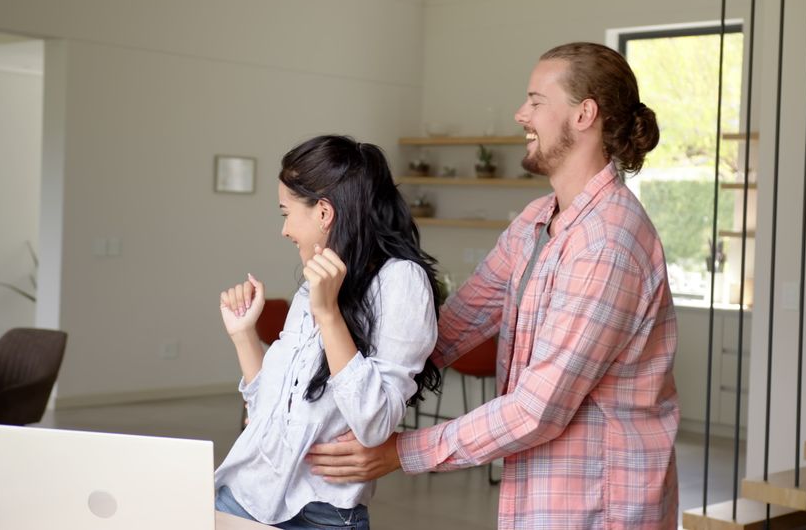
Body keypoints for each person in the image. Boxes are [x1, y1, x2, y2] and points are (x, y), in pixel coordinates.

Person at [306, 42, 680, 529]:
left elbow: (536, 411)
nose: (520, 113)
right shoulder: (536, 221)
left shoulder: (607, 245)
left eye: (536, 100)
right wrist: (322, 395)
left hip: (600, 507)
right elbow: (453, 326)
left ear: (584, 114)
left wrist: (401, 450)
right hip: (541, 494)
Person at [213, 135, 442, 529]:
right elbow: (265, 413)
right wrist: (243, 335)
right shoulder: (315, 280)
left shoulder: (401, 282)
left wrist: (328, 312)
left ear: (323, 212)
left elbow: (374, 424)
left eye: (286, 212)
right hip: (242, 492)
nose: (285, 229)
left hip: (319, 513)